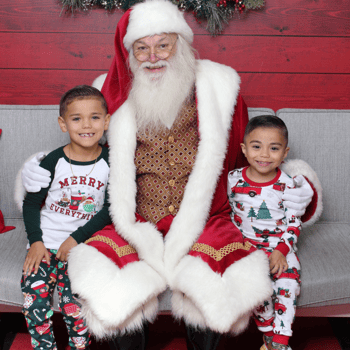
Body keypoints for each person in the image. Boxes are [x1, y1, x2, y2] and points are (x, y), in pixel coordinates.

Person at [18, 1, 322, 349]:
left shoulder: (220, 88)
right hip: (133, 218)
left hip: (205, 215)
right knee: (113, 282)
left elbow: (250, 155)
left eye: (163, 45)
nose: (153, 57)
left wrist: (301, 183)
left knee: (212, 280)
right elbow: (82, 152)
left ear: (180, 43)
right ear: (129, 51)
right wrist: (37, 170)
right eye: (142, 48)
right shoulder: (109, 91)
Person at [21, 85, 111, 350]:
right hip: (45, 245)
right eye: (76, 118)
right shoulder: (53, 161)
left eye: (95, 117)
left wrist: (76, 238)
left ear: (106, 122)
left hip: (82, 247)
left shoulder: (111, 162)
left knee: (78, 311)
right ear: (63, 124)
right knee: (35, 306)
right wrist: (35, 241)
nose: (87, 125)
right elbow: (31, 203)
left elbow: (110, 209)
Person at [228, 115, 304, 350]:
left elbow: (294, 224)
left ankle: (280, 341)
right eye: (256, 146)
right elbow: (224, 214)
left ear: (284, 153)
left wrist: (281, 251)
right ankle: (269, 334)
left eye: (274, 148)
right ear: (244, 149)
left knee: (288, 285)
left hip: (281, 247)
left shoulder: (289, 185)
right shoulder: (233, 180)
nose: (264, 155)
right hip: (248, 248)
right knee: (255, 287)